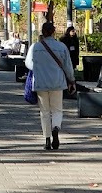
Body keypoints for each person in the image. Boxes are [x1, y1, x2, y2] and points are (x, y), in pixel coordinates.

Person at [26, 21, 74, 150]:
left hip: (41, 82)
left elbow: (28, 64)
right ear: (53, 32)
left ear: (42, 32)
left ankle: (47, 139)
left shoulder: (35, 47)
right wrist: (71, 80)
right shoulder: (61, 47)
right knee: (57, 109)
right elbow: (68, 66)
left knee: (44, 112)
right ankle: (56, 128)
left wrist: (39, 68)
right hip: (57, 82)